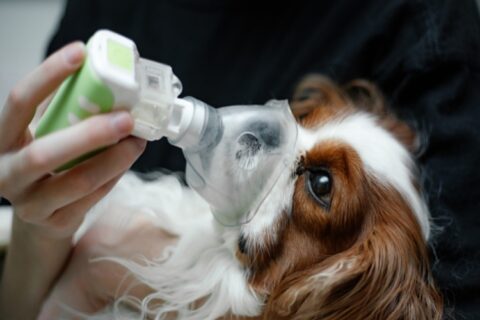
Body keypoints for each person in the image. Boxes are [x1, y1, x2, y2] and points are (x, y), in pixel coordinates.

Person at [1, 0, 480, 318]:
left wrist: (104, 268)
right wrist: (41, 228)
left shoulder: (427, 34)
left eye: (322, 186)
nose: (274, 144)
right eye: (302, 120)